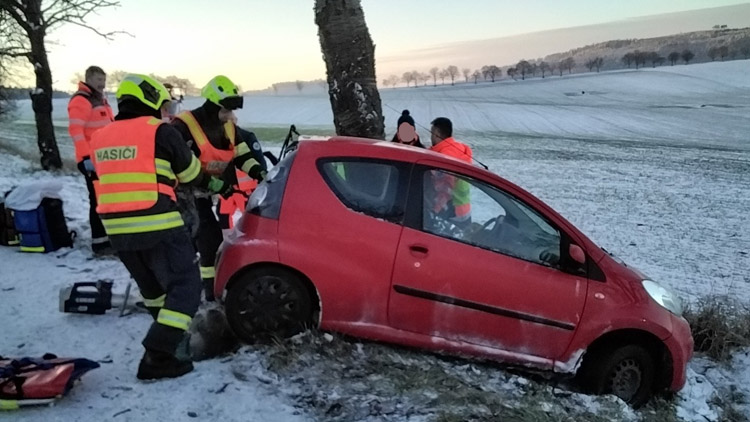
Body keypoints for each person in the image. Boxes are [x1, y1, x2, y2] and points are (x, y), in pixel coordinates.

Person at [89, 74, 233, 380]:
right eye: (162, 102)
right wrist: (217, 182)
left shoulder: (100, 136)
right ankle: (158, 353)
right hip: (158, 220)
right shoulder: (159, 132)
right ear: (151, 99)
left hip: (117, 228)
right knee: (186, 285)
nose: (165, 109)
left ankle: (173, 341)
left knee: (153, 288)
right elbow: (191, 172)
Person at [171, 75, 265, 301]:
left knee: (207, 238)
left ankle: (206, 287)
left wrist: (259, 173)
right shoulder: (183, 126)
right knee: (202, 238)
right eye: (226, 111)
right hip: (179, 192)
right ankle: (191, 289)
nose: (230, 116)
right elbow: (181, 164)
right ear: (213, 107)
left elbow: (241, 155)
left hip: (203, 192)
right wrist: (216, 184)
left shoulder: (229, 127)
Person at [67, 66, 114, 255]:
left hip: (103, 158)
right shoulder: (82, 100)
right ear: (88, 79)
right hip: (92, 160)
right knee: (98, 200)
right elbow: (76, 131)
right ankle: (100, 244)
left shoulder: (100, 99)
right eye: (98, 80)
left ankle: (107, 239)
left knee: (105, 199)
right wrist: (86, 157)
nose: (102, 84)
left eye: (104, 80)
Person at [428, 117, 473, 225]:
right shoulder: (456, 149)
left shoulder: (445, 156)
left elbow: (445, 187)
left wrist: (435, 211)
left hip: (452, 214)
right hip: (463, 211)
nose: (431, 136)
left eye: (432, 132)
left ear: (437, 133)